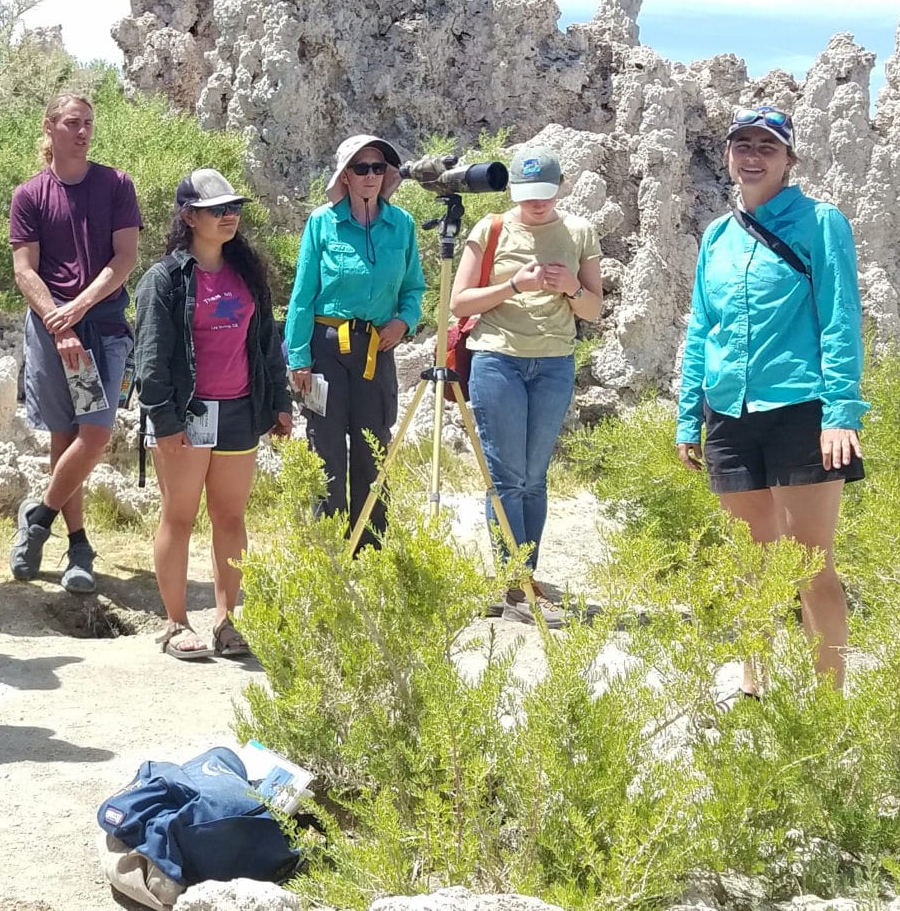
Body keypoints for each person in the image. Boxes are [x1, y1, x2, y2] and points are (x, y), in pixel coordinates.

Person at [675, 104, 866, 691]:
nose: (753, 156)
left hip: (801, 410)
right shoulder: (718, 235)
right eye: (742, 146)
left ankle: (828, 700)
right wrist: (689, 416)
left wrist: (840, 414)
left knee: (811, 564)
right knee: (750, 563)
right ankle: (755, 683)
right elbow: (702, 326)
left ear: (788, 159)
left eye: (767, 147)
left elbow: (839, 320)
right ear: (729, 156)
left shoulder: (820, 222)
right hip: (729, 412)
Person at [130, 169, 293, 661]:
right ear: (188, 217)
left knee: (231, 517)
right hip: (186, 413)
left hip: (241, 410)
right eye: (218, 209)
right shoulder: (163, 280)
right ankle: (175, 623)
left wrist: (279, 403)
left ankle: (227, 620)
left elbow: (266, 344)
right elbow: (152, 355)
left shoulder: (247, 274)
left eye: (234, 208)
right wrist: (164, 420)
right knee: (179, 517)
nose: (230, 217)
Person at [448, 150, 603, 627]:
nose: (536, 204)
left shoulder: (579, 232)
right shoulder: (490, 229)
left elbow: (594, 310)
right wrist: (514, 285)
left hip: (554, 364)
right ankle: (513, 584)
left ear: (561, 188)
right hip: (497, 359)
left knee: (534, 477)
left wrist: (571, 288)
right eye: (527, 196)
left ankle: (524, 577)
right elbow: (458, 303)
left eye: (545, 194)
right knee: (506, 476)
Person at [7, 92, 142, 593]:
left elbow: (124, 257)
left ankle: (38, 518)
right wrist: (58, 325)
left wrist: (80, 309)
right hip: (52, 329)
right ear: (50, 127)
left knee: (94, 434)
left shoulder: (115, 185)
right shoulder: (30, 195)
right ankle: (78, 545)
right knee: (65, 437)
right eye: (72, 123)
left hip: (100, 329)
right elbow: (25, 270)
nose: (82, 131)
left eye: (88, 123)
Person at [284, 135, 425, 548]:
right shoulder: (322, 222)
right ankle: (328, 549)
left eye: (378, 168)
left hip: (377, 349)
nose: (369, 176)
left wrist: (404, 322)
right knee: (325, 447)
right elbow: (302, 295)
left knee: (373, 444)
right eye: (360, 168)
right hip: (326, 349)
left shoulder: (402, 225)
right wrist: (298, 358)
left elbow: (415, 288)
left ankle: (370, 547)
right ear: (345, 175)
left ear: (388, 175)